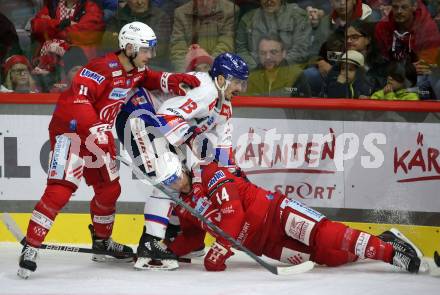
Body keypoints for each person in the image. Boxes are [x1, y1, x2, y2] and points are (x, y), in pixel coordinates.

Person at [17, 21, 200, 279]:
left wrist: (174, 79)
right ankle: (31, 246)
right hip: (71, 133)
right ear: (129, 47)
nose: (150, 55)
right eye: (146, 50)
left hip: (98, 136)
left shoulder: (135, 70)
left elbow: (149, 78)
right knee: (60, 189)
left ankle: (102, 243)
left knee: (110, 188)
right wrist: (95, 130)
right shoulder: (99, 69)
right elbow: (77, 101)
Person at [155, 153, 422, 273]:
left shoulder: (208, 172)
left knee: (325, 234)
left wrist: (222, 247)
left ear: (182, 167)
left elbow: (232, 214)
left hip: (275, 213)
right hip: (265, 244)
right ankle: (386, 238)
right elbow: (191, 239)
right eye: (169, 182)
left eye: (175, 176)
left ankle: (390, 253)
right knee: (330, 257)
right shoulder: (182, 205)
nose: (175, 184)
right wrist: (162, 251)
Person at [115, 52, 249, 270]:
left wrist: (234, 174)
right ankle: (150, 243)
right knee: (174, 179)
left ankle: (166, 234)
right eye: (237, 82)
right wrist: (194, 137)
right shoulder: (206, 91)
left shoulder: (224, 105)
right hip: (138, 115)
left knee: (184, 179)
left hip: (154, 125)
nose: (240, 88)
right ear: (222, 79)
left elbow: (223, 148)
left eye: (243, 83)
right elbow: (167, 115)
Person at [236, 0, 311, 70]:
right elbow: (241, 49)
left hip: (288, 70)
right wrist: (256, 67)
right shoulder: (248, 19)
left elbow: (301, 50)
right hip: (255, 71)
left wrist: (278, 66)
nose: (269, 1)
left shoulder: (298, 16)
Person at [170, 0, 238, 72]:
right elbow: (177, 49)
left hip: (218, 70)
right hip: (190, 70)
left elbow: (226, 44)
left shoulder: (230, 10)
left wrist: (210, 69)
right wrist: (185, 75)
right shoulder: (181, 13)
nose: (204, 3)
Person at [244, 35, 310, 97]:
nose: (268, 57)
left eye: (273, 52)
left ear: (283, 53)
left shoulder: (297, 75)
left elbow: (305, 106)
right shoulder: (251, 76)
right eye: (263, 53)